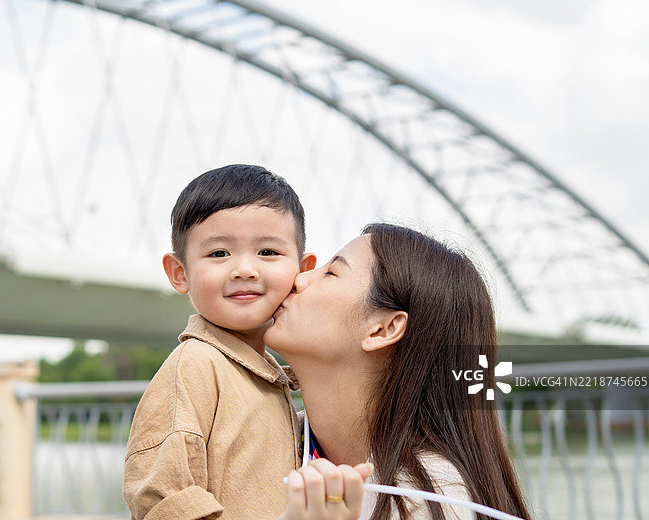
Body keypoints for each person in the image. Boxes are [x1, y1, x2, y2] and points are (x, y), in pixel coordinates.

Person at [267, 223, 533, 520]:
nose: (299, 278)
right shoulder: (273, 435)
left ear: (382, 328)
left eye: (331, 273)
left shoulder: (433, 502)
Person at [123, 164, 320, 519]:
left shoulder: (270, 374)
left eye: (268, 253)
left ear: (302, 271)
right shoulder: (195, 365)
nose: (244, 269)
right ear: (180, 273)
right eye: (218, 254)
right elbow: (164, 497)